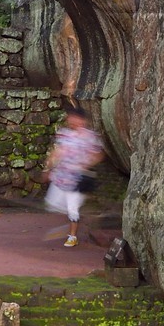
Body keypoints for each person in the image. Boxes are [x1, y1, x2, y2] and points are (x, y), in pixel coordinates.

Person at [42, 104, 103, 247]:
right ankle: (77, 220)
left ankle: (72, 235)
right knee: (53, 204)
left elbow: (98, 154)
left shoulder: (89, 136)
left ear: (82, 120)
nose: (71, 121)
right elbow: (57, 152)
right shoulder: (64, 134)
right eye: (70, 118)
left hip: (78, 178)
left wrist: (86, 164)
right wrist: (48, 167)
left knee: (72, 207)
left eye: (74, 118)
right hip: (62, 176)